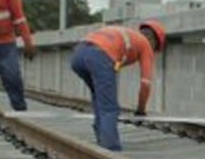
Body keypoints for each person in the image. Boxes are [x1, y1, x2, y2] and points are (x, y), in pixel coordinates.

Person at [69, 21, 166, 151]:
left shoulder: (129, 36)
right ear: (153, 41)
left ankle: (101, 140)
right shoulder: (145, 44)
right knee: (110, 108)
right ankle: (110, 149)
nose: (152, 52)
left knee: (100, 98)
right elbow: (145, 84)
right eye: (155, 48)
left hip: (78, 55)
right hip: (99, 56)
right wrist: (140, 110)